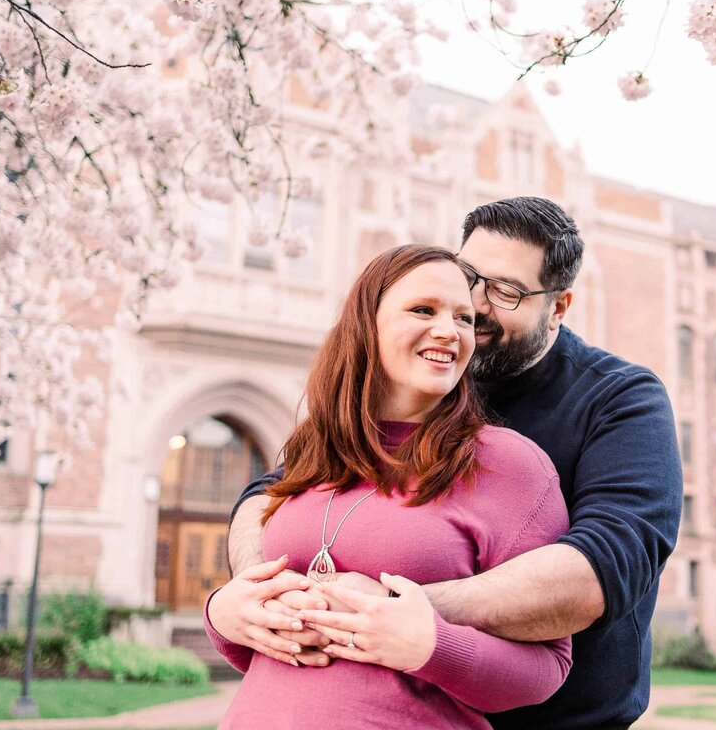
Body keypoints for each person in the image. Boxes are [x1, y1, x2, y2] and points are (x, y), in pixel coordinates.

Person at [213, 197, 683, 729]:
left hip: (560, 720)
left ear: (558, 307)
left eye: (505, 291)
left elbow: (606, 565)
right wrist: (250, 594)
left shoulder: (618, 398)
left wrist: (397, 608)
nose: (475, 306)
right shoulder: (421, 379)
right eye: (469, 278)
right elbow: (275, 491)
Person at [205, 244, 571, 728]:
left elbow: (548, 666)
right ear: (366, 323)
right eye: (424, 310)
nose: (449, 330)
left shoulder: (507, 464)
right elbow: (265, 640)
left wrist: (431, 646)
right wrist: (224, 615)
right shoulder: (314, 451)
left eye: (463, 318)